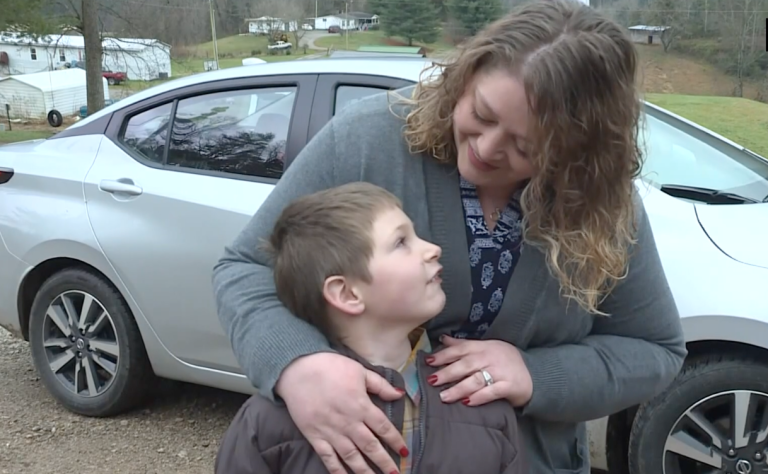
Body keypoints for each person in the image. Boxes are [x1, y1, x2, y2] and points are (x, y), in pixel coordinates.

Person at [211, 1, 688, 473]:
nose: (486, 148)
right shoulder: (366, 140)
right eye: (482, 113)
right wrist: (297, 363)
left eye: (525, 147)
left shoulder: (601, 203)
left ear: (576, 156)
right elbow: (246, 269)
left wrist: (536, 374)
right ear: (465, 77)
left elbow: (655, 349)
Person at [214, 182, 526, 474]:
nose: (433, 248)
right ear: (347, 294)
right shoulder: (268, 423)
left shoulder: (484, 407)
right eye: (401, 242)